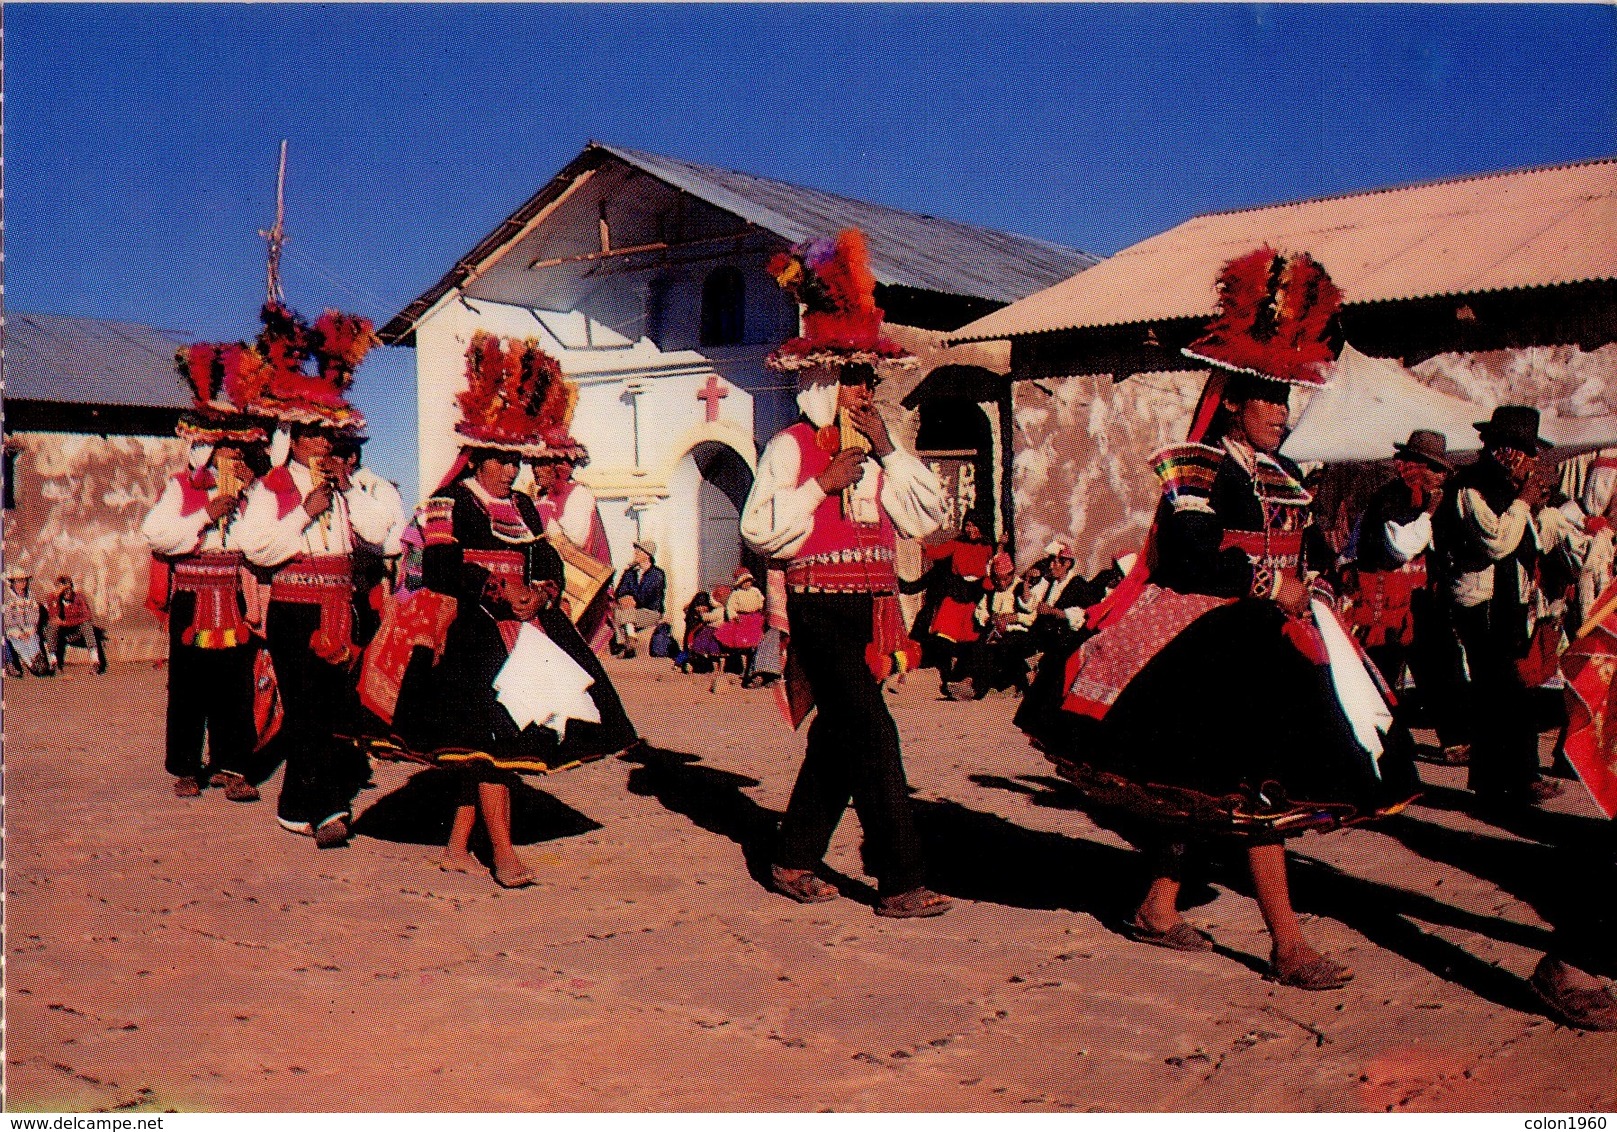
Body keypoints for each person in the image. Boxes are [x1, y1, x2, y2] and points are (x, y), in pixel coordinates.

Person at [1046, 248, 1420, 990]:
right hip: (1210, 640)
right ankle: (1286, 944)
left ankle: (1156, 904)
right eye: (1269, 401)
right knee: (1255, 789)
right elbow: (1188, 558)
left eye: (1286, 402)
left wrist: (1313, 584)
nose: (1282, 414)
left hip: (1277, 638)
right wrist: (1266, 584)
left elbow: (1307, 548)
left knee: (1209, 787)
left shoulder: (1283, 477)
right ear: (1234, 403)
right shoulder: (1198, 467)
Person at [375, 332, 637, 886]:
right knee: (494, 740)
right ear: (476, 455)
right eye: (498, 459)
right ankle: (505, 853)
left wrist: (539, 594)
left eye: (514, 460)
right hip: (473, 634)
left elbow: (550, 564)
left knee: (489, 744)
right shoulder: (449, 503)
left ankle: (456, 847)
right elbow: (443, 570)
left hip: (530, 629)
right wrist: (497, 594)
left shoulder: (525, 507)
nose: (507, 470)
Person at [745, 227, 952, 917]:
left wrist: (891, 451)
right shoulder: (790, 448)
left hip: (869, 612)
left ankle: (791, 856)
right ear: (825, 379)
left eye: (870, 377)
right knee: (873, 734)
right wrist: (821, 486)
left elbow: (925, 517)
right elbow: (759, 530)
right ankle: (900, 880)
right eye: (855, 376)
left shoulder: (881, 450)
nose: (866, 389)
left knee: (840, 739)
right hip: (816, 611)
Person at [1431, 405, 1563, 809]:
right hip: (1479, 603)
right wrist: (1524, 503)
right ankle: (1511, 779)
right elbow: (1497, 541)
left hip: (1507, 602)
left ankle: (1504, 779)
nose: (1517, 457)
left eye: (1523, 449)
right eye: (1508, 447)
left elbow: (1533, 542)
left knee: (1506, 691)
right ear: (1491, 447)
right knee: (1501, 691)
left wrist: (1533, 507)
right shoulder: (1472, 488)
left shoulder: (1508, 492)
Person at [142, 420, 266, 801]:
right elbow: (156, 534)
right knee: (188, 687)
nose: (236, 455)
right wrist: (205, 515)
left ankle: (234, 766)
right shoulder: (182, 486)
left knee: (237, 687)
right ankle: (186, 768)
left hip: (233, 594)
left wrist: (255, 493)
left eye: (240, 449)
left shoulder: (253, 491)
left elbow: (257, 543)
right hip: (192, 599)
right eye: (229, 447)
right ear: (211, 451)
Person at [1346, 429, 1469, 758]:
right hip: (1386, 598)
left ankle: (1455, 737)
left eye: (1442, 470)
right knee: (1384, 666)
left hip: (1421, 597)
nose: (1441, 476)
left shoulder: (1431, 499)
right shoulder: (1395, 497)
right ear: (1418, 466)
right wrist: (1428, 514)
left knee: (1442, 662)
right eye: (1435, 469)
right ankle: (1377, 741)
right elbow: (1400, 547)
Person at [1012, 540, 1108, 747]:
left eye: (1056, 562)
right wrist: (1027, 588)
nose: (1052, 566)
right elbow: (1030, 605)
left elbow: (1083, 614)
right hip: (1043, 634)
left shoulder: (1079, 585)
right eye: (1051, 562)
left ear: (1067, 564)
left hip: (1063, 638)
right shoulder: (1048, 583)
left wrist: (1057, 613)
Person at [529, 434, 614, 651]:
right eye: (534, 464)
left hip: (577, 583)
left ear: (558, 467)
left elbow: (576, 536)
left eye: (542, 464)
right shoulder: (539, 497)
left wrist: (544, 516)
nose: (536, 470)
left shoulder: (578, 494)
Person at [923, 514, 995, 693]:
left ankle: (961, 680)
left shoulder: (988, 547)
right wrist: (921, 543)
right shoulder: (957, 543)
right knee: (944, 638)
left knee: (970, 640)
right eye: (968, 525)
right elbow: (936, 553)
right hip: (957, 592)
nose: (970, 529)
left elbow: (994, 568)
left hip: (975, 596)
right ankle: (947, 677)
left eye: (974, 525)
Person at [610, 540, 666, 658]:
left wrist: (633, 600)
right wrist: (624, 598)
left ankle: (627, 642)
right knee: (616, 611)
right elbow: (620, 591)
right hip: (631, 611)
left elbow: (648, 596)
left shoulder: (657, 574)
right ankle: (630, 641)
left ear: (647, 555)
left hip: (650, 612)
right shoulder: (630, 572)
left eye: (639, 551)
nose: (635, 553)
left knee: (625, 613)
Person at [713, 566, 766, 687]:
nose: (747, 584)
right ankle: (744, 668)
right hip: (742, 619)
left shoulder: (756, 591)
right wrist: (733, 615)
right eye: (744, 582)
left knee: (755, 643)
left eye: (748, 581)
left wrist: (762, 609)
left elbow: (762, 601)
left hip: (754, 618)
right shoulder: (736, 594)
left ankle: (752, 668)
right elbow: (730, 607)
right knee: (743, 645)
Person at [3, 568, 53, 678]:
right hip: (13, 629)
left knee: (33, 640)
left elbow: (34, 615)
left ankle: (38, 661)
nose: (23, 583)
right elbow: (7, 618)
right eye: (19, 581)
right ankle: (31, 664)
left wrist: (28, 631)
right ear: (13, 583)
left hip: (28, 628)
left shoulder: (31, 597)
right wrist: (18, 633)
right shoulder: (8, 598)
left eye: (24, 580)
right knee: (18, 643)